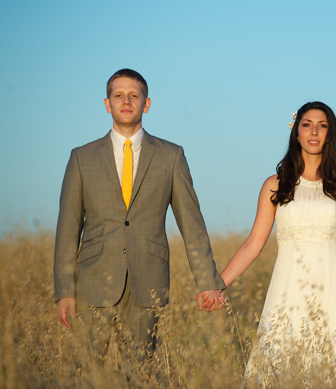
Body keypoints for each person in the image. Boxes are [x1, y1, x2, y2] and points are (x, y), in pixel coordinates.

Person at [53, 68, 225, 359]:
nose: (126, 101)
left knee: (140, 373)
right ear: (107, 104)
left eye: (134, 95)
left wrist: (207, 283)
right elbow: (67, 230)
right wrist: (64, 290)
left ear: (146, 104)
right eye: (118, 95)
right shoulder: (82, 157)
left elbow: (192, 225)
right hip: (92, 284)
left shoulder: (171, 156)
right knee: (85, 374)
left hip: (149, 283)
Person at [221, 101, 336, 386]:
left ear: (330, 135)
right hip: (287, 289)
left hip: (334, 289)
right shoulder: (275, 185)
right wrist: (218, 283)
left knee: (333, 368)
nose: (314, 131)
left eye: (322, 126)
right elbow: (253, 244)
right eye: (307, 124)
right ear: (296, 132)